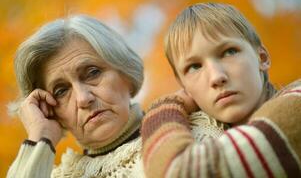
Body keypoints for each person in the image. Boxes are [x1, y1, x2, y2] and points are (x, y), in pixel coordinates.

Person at [7, 14, 226, 178]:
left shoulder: (201, 128)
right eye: (61, 91)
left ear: (126, 74)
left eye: (93, 73)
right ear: (51, 111)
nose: (84, 99)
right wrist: (39, 137)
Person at [141, 2, 301, 177]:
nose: (217, 77)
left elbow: (176, 172)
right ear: (185, 88)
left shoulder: (296, 102)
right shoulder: (205, 132)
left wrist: (166, 107)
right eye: (194, 67)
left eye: (229, 52)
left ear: (262, 58)